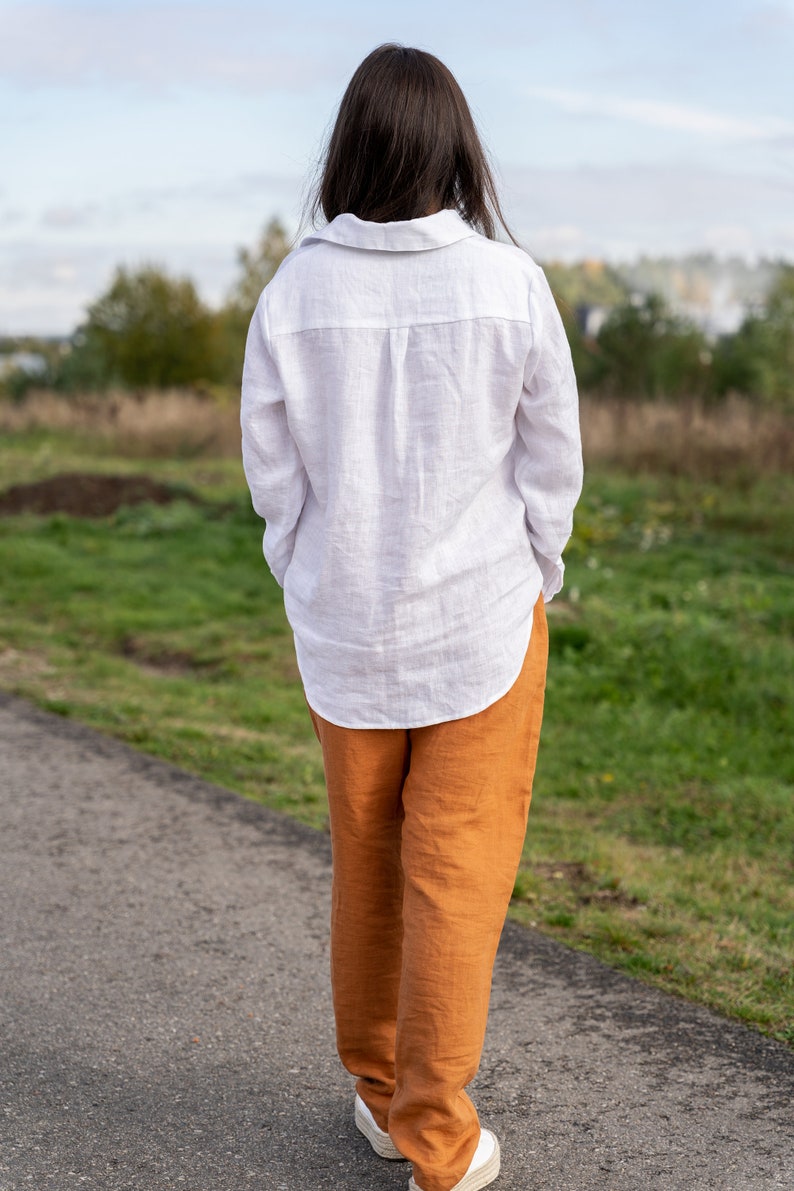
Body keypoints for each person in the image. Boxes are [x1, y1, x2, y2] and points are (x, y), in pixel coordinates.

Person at [241, 43, 583, 1191]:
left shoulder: (293, 288)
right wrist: (539, 567)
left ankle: (383, 1097)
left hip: (342, 634)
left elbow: (271, 473)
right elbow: (553, 460)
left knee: (368, 864)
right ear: (454, 149)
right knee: (454, 874)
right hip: (480, 627)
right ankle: (436, 1136)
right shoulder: (507, 281)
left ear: (350, 145)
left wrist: (305, 572)